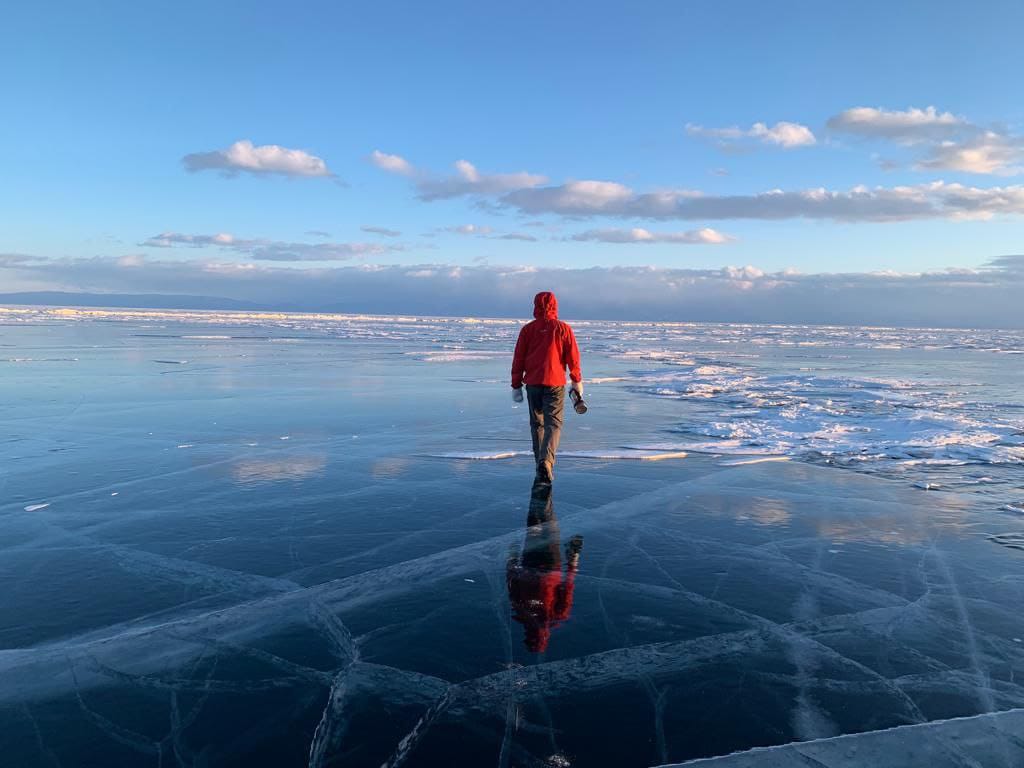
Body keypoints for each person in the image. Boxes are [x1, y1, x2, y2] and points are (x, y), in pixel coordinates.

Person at [510, 291, 583, 484]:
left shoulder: (528, 330)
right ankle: (546, 463)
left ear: (535, 306)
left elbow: (518, 359)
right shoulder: (563, 329)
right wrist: (576, 381)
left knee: (537, 425)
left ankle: (540, 465)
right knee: (554, 424)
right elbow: (573, 358)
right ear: (555, 306)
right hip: (554, 383)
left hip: (533, 384)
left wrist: (516, 385)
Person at [506, 480, 583, 653]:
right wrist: (512, 559)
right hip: (533, 559)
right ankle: (543, 476)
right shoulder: (522, 614)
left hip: (548, 561)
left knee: (546, 520)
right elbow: (512, 585)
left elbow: (568, 586)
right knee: (536, 519)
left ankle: (543, 476)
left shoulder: (555, 618)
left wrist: (573, 559)